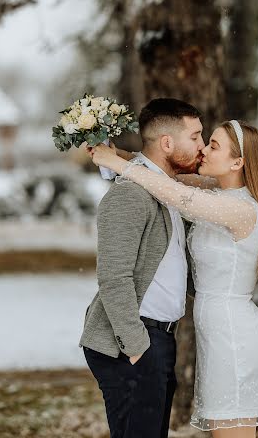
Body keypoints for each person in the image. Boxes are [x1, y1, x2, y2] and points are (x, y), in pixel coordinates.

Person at [89, 117, 258, 438]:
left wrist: (118, 166)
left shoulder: (242, 210)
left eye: (214, 145)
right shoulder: (219, 193)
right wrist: (117, 155)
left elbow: (176, 195)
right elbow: (164, 177)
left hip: (233, 337)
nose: (204, 149)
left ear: (238, 162)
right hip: (216, 333)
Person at [79, 98, 205, 438]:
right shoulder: (131, 196)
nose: (202, 146)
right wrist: (135, 347)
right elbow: (113, 278)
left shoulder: (164, 188)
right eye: (195, 137)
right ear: (167, 143)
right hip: (134, 341)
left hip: (159, 338)